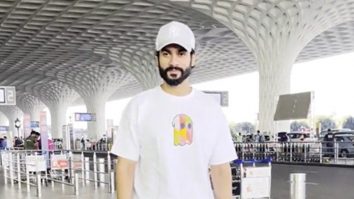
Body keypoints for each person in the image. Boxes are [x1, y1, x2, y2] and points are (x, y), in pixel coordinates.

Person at [111, 21, 237, 199]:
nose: (173, 62)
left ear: (193, 58)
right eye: (166, 54)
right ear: (157, 59)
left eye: (181, 53)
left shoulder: (211, 109)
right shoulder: (139, 106)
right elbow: (126, 166)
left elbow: (221, 169)